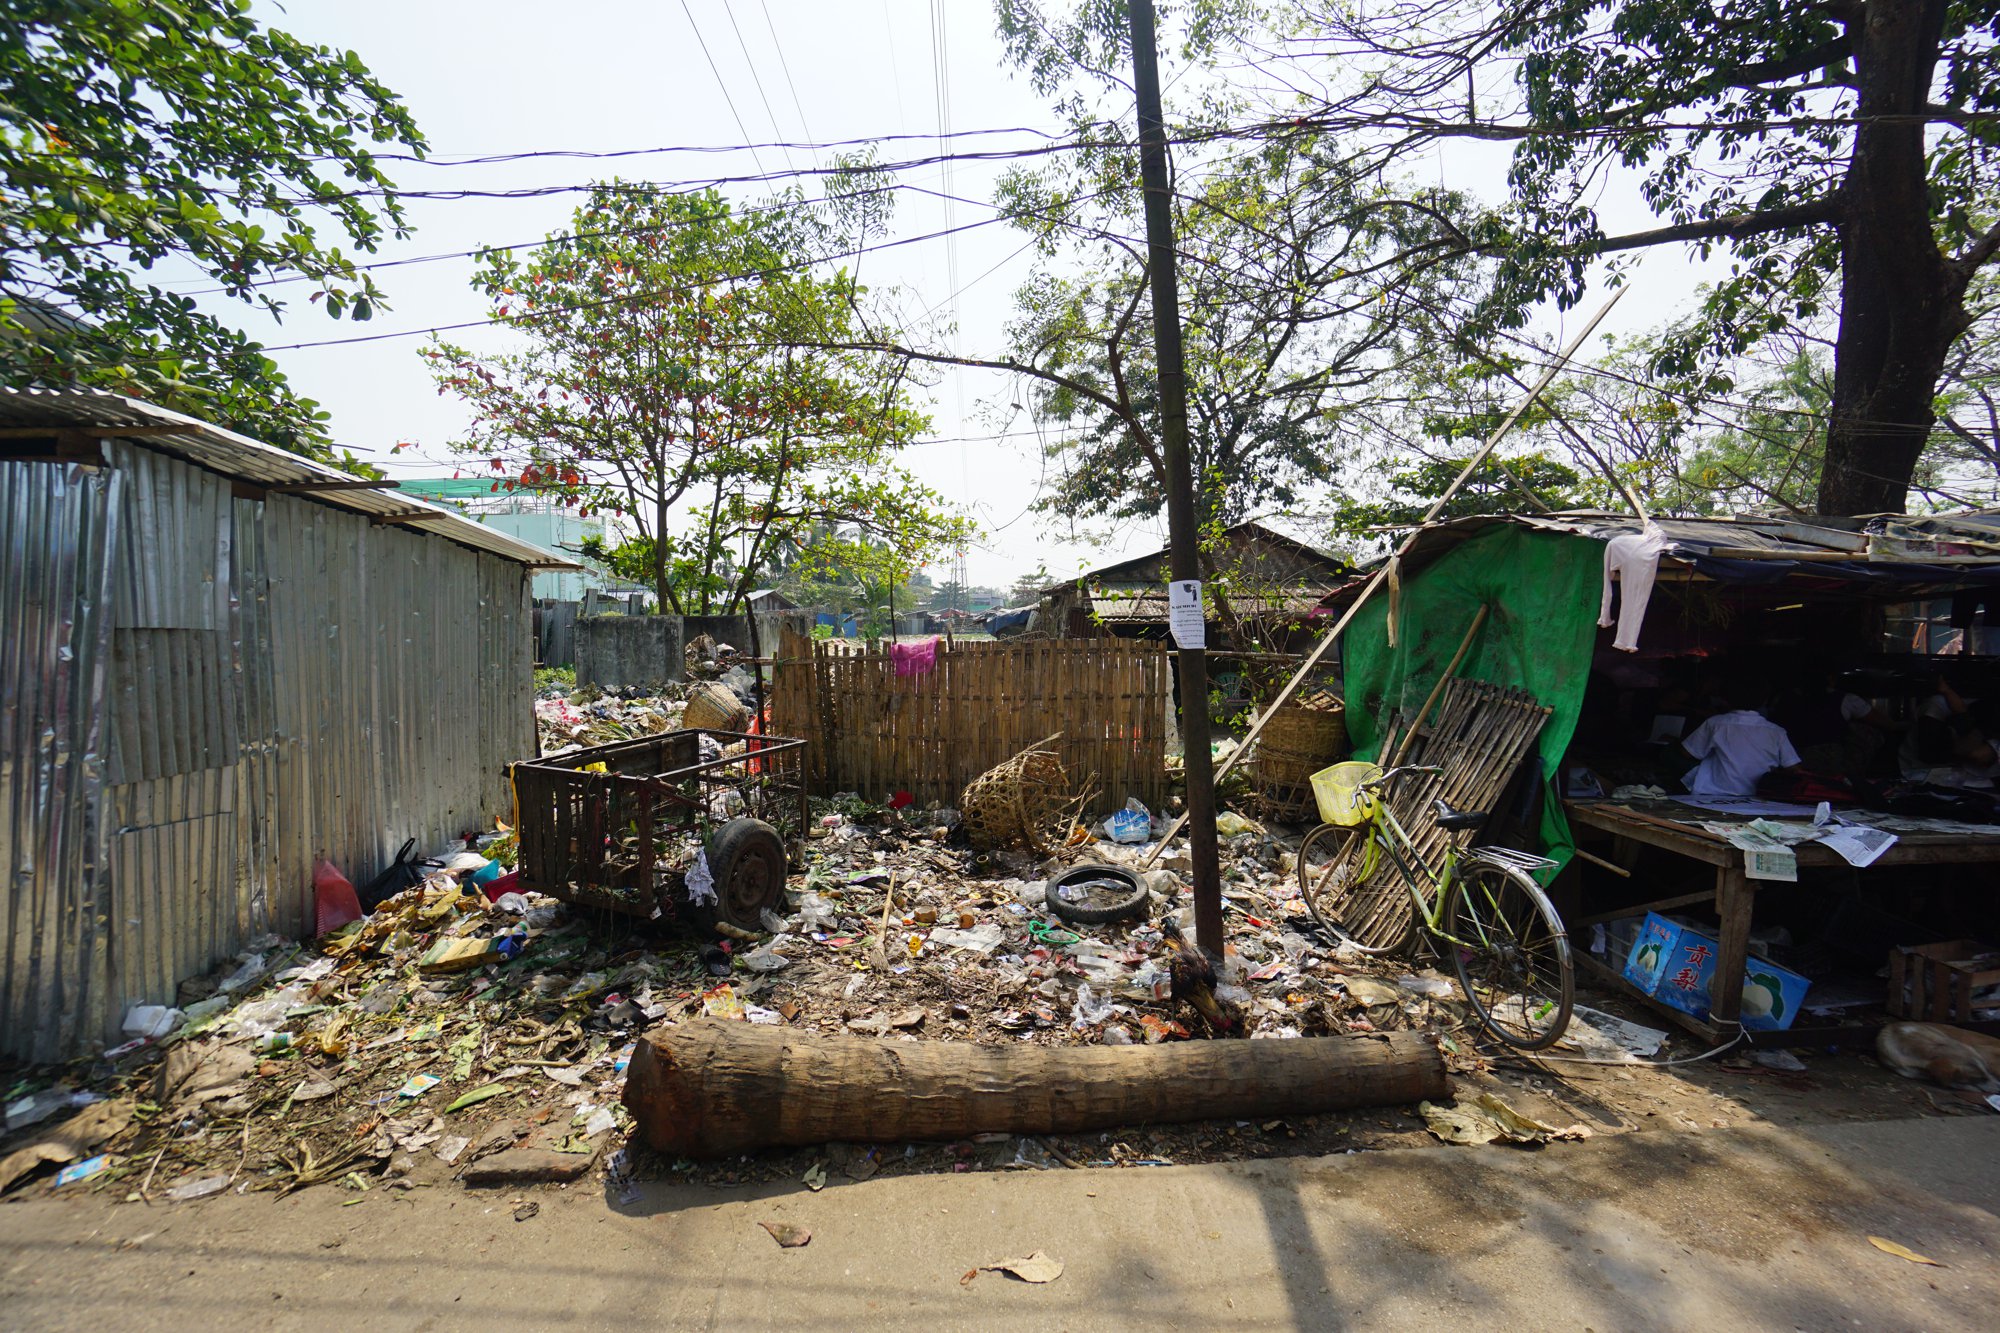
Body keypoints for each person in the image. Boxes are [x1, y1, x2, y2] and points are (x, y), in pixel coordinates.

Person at [1681, 676, 1802, 798]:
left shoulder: (1715, 723)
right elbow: (1793, 767)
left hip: (1713, 793)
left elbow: (1688, 753)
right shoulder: (1776, 731)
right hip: (1758, 795)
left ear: (1724, 698)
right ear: (1765, 700)